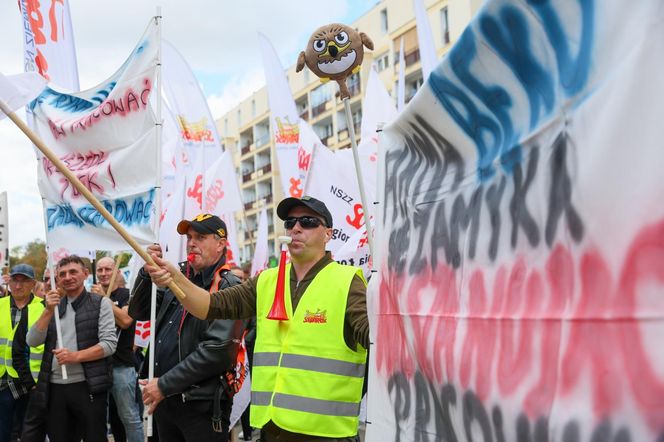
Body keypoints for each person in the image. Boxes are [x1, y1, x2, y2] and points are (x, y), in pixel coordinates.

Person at [145, 196, 369, 441]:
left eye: (307, 221)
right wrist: (174, 277)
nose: (295, 228)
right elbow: (208, 306)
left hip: (327, 434)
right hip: (272, 430)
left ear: (328, 233)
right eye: (290, 222)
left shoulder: (348, 282)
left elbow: (376, 343)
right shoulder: (266, 280)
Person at [129, 214, 246, 441]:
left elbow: (218, 352)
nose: (191, 243)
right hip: (165, 400)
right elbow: (139, 311)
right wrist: (146, 273)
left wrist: (164, 384)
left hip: (200, 406)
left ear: (221, 244)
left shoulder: (229, 286)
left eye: (200, 237)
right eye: (189, 237)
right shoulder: (177, 276)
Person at [26, 255, 117, 442]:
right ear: (57, 279)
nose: (67, 277)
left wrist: (75, 357)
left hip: (88, 386)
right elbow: (32, 341)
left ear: (85, 274)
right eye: (62, 274)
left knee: (95, 437)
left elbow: (109, 344)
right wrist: (48, 310)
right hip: (55, 388)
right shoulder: (51, 306)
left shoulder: (100, 303)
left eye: (73, 272)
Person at [91, 256, 144, 442]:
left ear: (117, 272)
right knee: (99, 419)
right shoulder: (91, 297)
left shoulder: (127, 295)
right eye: (100, 270)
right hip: (97, 366)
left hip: (121, 365)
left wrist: (104, 300)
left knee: (129, 416)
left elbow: (126, 320)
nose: (104, 273)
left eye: (108, 269)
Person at [0, 264, 44, 441]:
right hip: (3, 379)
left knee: (30, 433)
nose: (18, 286)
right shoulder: (0, 305)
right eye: (14, 281)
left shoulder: (44, 307)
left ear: (33, 284)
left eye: (24, 281)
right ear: (9, 282)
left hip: (32, 381)